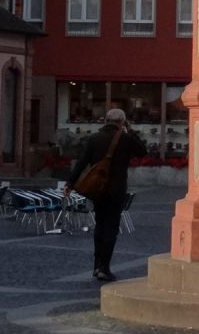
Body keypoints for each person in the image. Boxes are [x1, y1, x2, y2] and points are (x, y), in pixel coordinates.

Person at [63, 107, 148, 281]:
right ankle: (104, 267)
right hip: (116, 190)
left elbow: (82, 162)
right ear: (122, 122)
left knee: (100, 225)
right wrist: (130, 130)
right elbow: (142, 151)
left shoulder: (94, 139)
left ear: (105, 121)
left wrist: (70, 183)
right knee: (111, 228)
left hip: (97, 189)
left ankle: (96, 266)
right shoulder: (125, 139)